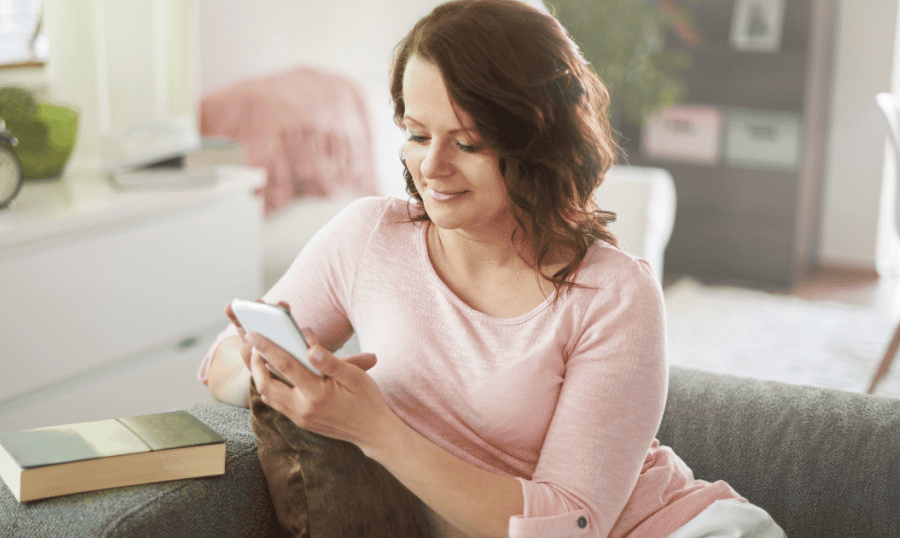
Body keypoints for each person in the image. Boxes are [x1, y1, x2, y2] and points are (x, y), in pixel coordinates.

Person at [199, 1, 787, 536]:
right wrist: (270, 367)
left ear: (537, 141)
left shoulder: (611, 293)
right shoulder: (369, 238)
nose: (431, 166)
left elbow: (567, 528)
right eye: (416, 134)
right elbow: (219, 366)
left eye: (468, 143)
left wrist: (374, 428)